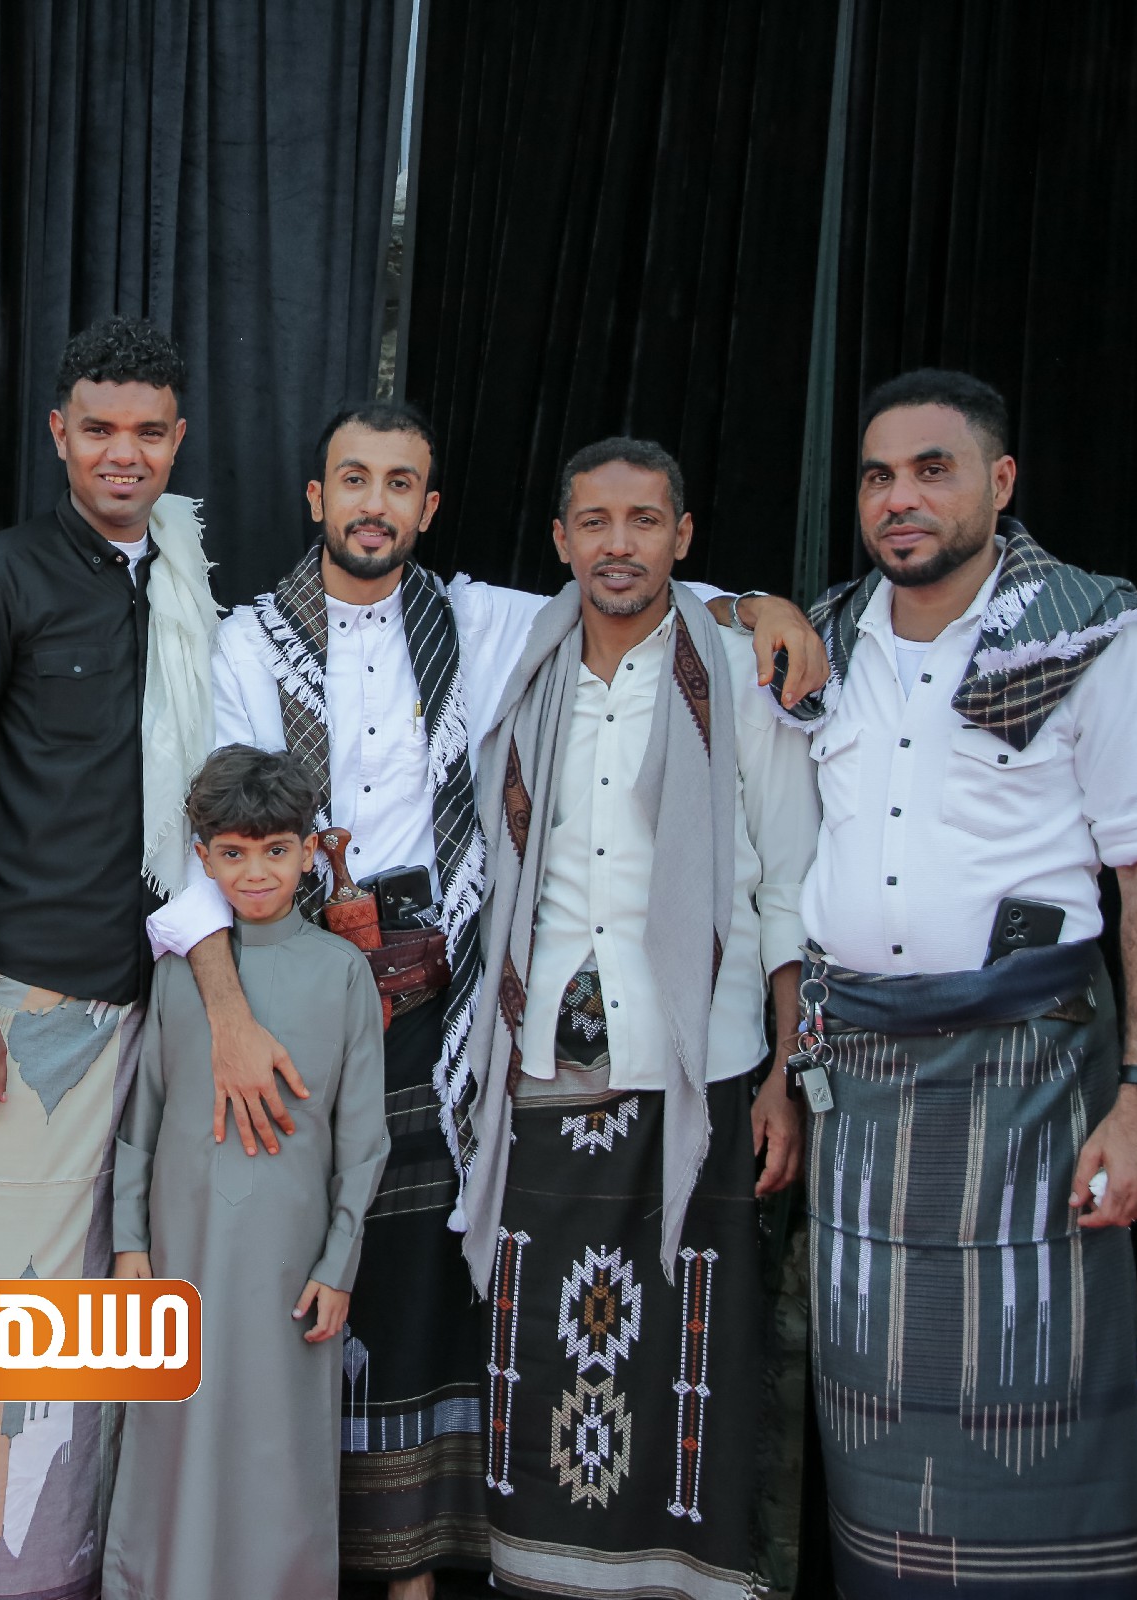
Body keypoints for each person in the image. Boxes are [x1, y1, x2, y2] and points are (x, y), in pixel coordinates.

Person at [140, 403, 827, 1594]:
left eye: (399, 483)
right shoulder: (243, 644)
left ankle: (415, 1565)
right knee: (280, 1270)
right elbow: (197, 828)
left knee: (420, 1283)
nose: (374, 504)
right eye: (354, 479)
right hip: (289, 984)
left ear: (429, 507)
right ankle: (261, 1554)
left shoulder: (483, 619)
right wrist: (235, 1009)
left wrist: (762, 606)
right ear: (316, 498)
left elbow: (642, 590)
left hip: (445, 1001)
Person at [784, 371, 1137, 1597]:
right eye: (878, 476)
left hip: (1036, 1077)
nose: (900, 499)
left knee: (1038, 1387)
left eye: (933, 469)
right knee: (873, 1412)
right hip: (861, 1082)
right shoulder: (823, 639)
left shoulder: (1092, 631)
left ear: (999, 481)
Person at [455, 439, 816, 1600]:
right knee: (534, 1337)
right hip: (542, 1062)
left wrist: (785, 1075)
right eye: (596, 522)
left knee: (685, 1345)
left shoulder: (740, 674)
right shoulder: (518, 657)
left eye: (644, 521)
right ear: (561, 537)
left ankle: (681, 1576)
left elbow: (788, 886)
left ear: (683, 535)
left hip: (700, 1064)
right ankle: (539, 1572)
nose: (619, 544)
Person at [0, 316, 221, 1599]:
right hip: (27, 1001)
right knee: (12, 1313)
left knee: (117, 1306)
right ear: (59, 433)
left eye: (147, 431)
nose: (123, 453)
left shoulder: (187, 578)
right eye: (99, 429)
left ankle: (91, 1568)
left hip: (161, 992)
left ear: (178, 441)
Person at [104, 745, 389, 1600]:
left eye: (275, 850)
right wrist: (129, 1244)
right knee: (175, 1435)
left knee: (279, 1447)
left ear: (309, 853)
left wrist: (338, 1266)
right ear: (203, 858)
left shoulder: (344, 973)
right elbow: (143, 1119)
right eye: (232, 853)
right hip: (180, 1254)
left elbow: (362, 1140)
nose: (255, 872)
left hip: (291, 1267)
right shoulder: (180, 974)